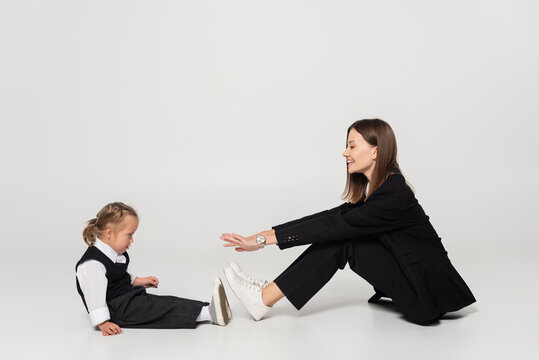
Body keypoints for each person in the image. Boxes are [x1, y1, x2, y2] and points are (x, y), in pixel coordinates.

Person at [221, 118, 476, 325]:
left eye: (352, 146)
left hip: (427, 293)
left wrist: (263, 240)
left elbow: (333, 228)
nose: (345, 153)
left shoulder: (393, 194)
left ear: (374, 151)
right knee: (340, 233)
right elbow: (331, 217)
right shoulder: (381, 187)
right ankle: (267, 294)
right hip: (416, 281)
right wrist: (262, 236)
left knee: (342, 240)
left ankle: (264, 298)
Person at [76, 202, 231, 336]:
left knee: (165, 300)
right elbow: (94, 296)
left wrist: (140, 281)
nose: (132, 240)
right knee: (158, 310)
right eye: (129, 235)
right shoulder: (93, 264)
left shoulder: (114, 253)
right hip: (117, 310)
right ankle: (208, 314)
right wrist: (103, 322)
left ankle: (208, 307)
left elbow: (120, 276)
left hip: (127, 299)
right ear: (109, 234)